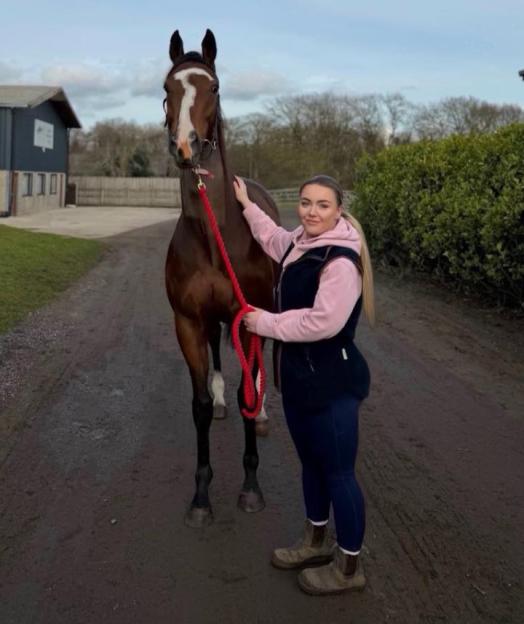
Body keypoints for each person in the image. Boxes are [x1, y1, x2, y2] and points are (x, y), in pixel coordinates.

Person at [233, 174, 374, 596]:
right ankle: (314, 542)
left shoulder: (341, 261)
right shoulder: (300, 241)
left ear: (338, 210)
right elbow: (273, 237)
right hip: (298, 380)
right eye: (306, 202)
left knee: (338, 473)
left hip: (331, 383)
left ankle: (349, 566)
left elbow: (323, 322)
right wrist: (244, 202)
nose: (312, 212)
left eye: (322, 205)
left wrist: (265, 322)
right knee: (312, 466)